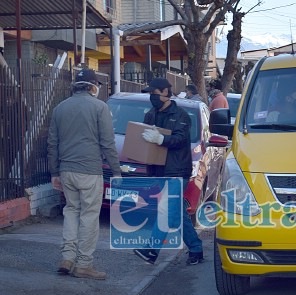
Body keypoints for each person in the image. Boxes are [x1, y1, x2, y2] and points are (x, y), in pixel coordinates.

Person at [47, 68, 122, 280]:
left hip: (66, 170)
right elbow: (107, 143)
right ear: (92, 87)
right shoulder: (100, 107)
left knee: (71, 211)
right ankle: (84, 264)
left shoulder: (60, 108)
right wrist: (116, 171)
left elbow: (52, 142)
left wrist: (54, 172)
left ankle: (67, 257)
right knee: (89, 215)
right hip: (89, 170)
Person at [133, 77, 204, 265]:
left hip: (177, 170)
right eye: (149, 94)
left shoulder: (181, 115)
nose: (151, 97)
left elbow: (181, 139)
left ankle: (151, 250)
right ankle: (196, 249)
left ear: (165, 92)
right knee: (177, 212)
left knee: (166, 210)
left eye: (154, 93)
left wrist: (161, 140)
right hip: (158, 171)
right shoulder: (150, 114)